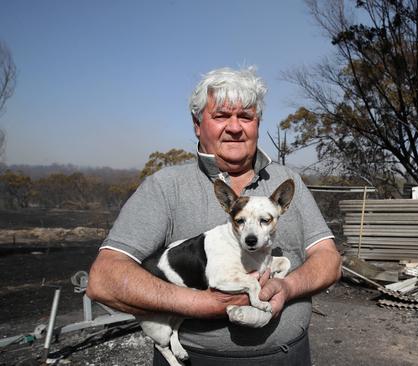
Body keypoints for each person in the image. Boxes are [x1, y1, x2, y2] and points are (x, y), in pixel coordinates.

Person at [86, 66, 342, 365]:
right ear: (197, 124)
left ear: (258, 124)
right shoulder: (167, 186)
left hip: (290, 356)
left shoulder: (288, 181)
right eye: (221, 116)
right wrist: (205, 304)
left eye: (246, 116)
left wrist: (287, 287)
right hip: (197, 359)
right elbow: (104, 279)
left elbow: (330, 261)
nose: (235, 127)